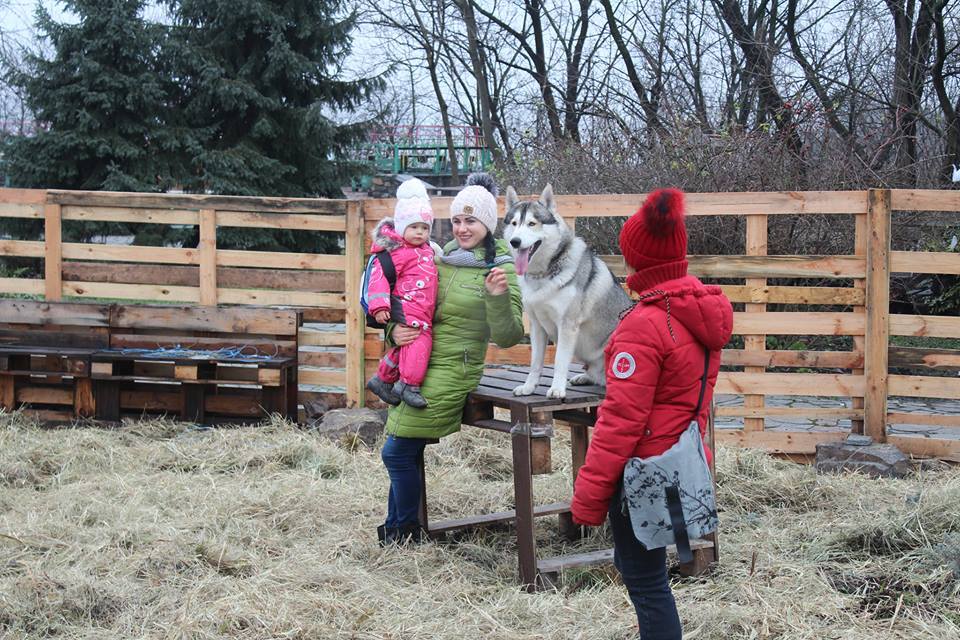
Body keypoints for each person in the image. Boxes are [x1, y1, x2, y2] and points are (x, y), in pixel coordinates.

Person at [571, 188, 733, 639]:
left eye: (626, 256)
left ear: (637, 261)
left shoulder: (644, 325)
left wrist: (588, 496)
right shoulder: (697, 311)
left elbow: (620, 422)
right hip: (684, 463)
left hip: (644, 473)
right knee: (646, 571)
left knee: (645, 581)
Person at [377, 173, 524, 546]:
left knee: (396, 451)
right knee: (401, 445)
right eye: (457, 220)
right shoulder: (439, 255)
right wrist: (391, 330)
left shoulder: (502, 267)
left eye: (470, 220)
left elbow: (509, 336)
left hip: (454, 367)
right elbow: (407, 300)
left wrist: (495, 297)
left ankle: (403, 531)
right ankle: (396, 531)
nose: (461, 228)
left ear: (488, 224)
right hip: (417, 361)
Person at [365, 178, 438, 408]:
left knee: (406, 346)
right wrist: (379, 306)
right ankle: (409, 385)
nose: (420, 232)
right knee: (421, 342)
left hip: (422, 308)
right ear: (401, 226)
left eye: (425, 228)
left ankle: (382, 379)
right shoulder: (398, 252)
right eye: (414, 227)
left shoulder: (427, 250)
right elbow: (379, 278)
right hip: (408, 307)